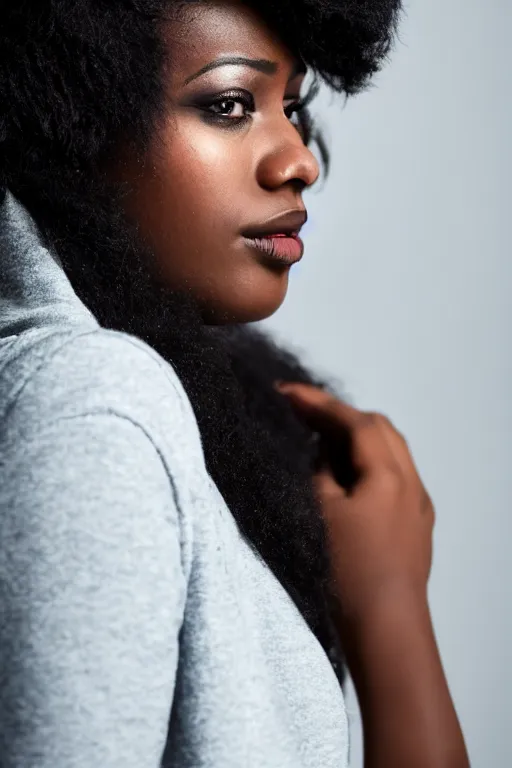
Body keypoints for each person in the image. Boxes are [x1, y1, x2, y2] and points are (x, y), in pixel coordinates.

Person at [0, 1, 469, 766]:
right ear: (75, 115)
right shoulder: (95, 406)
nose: (298, 160)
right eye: (228, 104)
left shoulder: (150, 398)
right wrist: (391, 612)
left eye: (291, 106)